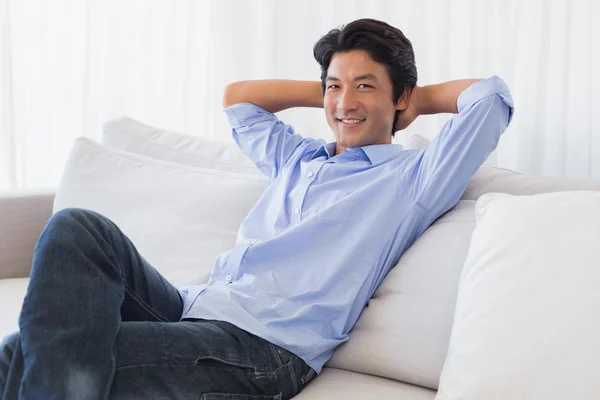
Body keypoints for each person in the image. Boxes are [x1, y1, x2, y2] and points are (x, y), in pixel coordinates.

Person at [0, 18, 513, 400]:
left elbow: (490, 97)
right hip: (192, 309)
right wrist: (335, 94)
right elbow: (239, 99)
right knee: (77, 229)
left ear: (399, 96)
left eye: (365, 86)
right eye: (335, 85)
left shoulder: (411, 178)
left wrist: (413, 100)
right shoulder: (297, 157)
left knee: (21, 357)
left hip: (260, 351)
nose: (344, 101)